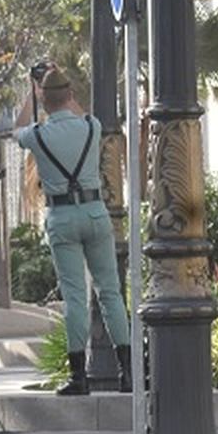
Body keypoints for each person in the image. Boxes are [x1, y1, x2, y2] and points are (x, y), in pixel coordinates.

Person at [16, 65, 133, 395]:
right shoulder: (90, 126)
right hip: (96, 214)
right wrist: (60, 88)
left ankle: (79, 377)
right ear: (69, 96)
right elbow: (77, 110)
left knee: (75, 297)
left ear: (44, 98)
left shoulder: (37, 136)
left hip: (62, 217)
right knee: (110, 292)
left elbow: (17, 127)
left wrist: (34, 91)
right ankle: (128, 373)